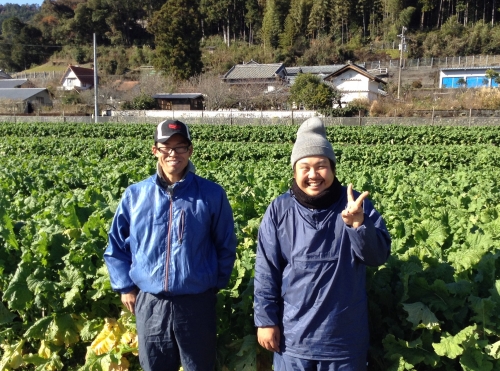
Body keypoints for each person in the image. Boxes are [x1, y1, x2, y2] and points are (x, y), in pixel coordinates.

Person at [253, 117, 391, 371]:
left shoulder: (356, 207)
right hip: (294, 340)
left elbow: (378, 256)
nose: (313, 175)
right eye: (305, 167)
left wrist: (359, 225)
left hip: (344, 341)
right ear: (294, 171)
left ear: (333, 168)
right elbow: (266, 270)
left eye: (321, 166)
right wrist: (265, 321)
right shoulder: (279, 209)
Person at [104, 119, 237, 371]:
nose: (173, 154)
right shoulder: (135, 195)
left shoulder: (211, 194)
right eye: (166, 147)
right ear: (155, 150)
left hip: (196, 303)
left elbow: (225, 245)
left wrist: (212, 285)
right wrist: (125, 287)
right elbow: (116, 246)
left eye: (180, 147)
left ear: (190, 150)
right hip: (151, 303)